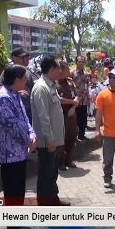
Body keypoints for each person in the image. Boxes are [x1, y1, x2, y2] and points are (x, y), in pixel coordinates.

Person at [0, 65, 36, 229]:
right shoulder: (3, 98)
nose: (26, 82)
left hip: (18, 152)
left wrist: (31, 134)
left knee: (19, 189)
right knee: (12, 191)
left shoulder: (14, 94)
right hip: (9, 154)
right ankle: (13, 226)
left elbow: (24, 118)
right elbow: (12, 125)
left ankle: (18, 221)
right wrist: (28, 139)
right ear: (16, 80)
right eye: (24, 79)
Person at [31, 55, 70, 206]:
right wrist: (49, 138)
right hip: (48, 141)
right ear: (52, 69)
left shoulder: (50, 85)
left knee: (52, 173)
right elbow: (43, 116)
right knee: (46, 175)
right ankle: (45, 205)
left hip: (55, 139)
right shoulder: (41, 87)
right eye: (58, 68)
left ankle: (53, 200)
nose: (60, 71)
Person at [57, 61, 79, 171]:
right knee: (62, 139)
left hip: (71, 114)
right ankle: (60, 162)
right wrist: (72, 102)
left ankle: (69, 160)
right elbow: (58, 100)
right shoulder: (55, 83)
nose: (69, 71)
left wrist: (74, 106)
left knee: (72, 137)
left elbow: (77, 97)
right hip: (62, 115)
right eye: (67, 69)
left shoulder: (70, 82)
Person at [72, 55, 90, 141]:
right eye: (79, 61)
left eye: (83, 61)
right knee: (76, 120)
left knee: (84, 119)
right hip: (76, 100)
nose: (81, 63)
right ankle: (75, 137)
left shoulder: (86, 74)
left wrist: (88, 97)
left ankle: (82, 136)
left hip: (84, 100)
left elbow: (87, 86)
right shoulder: (72, 73)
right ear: (76, 62)